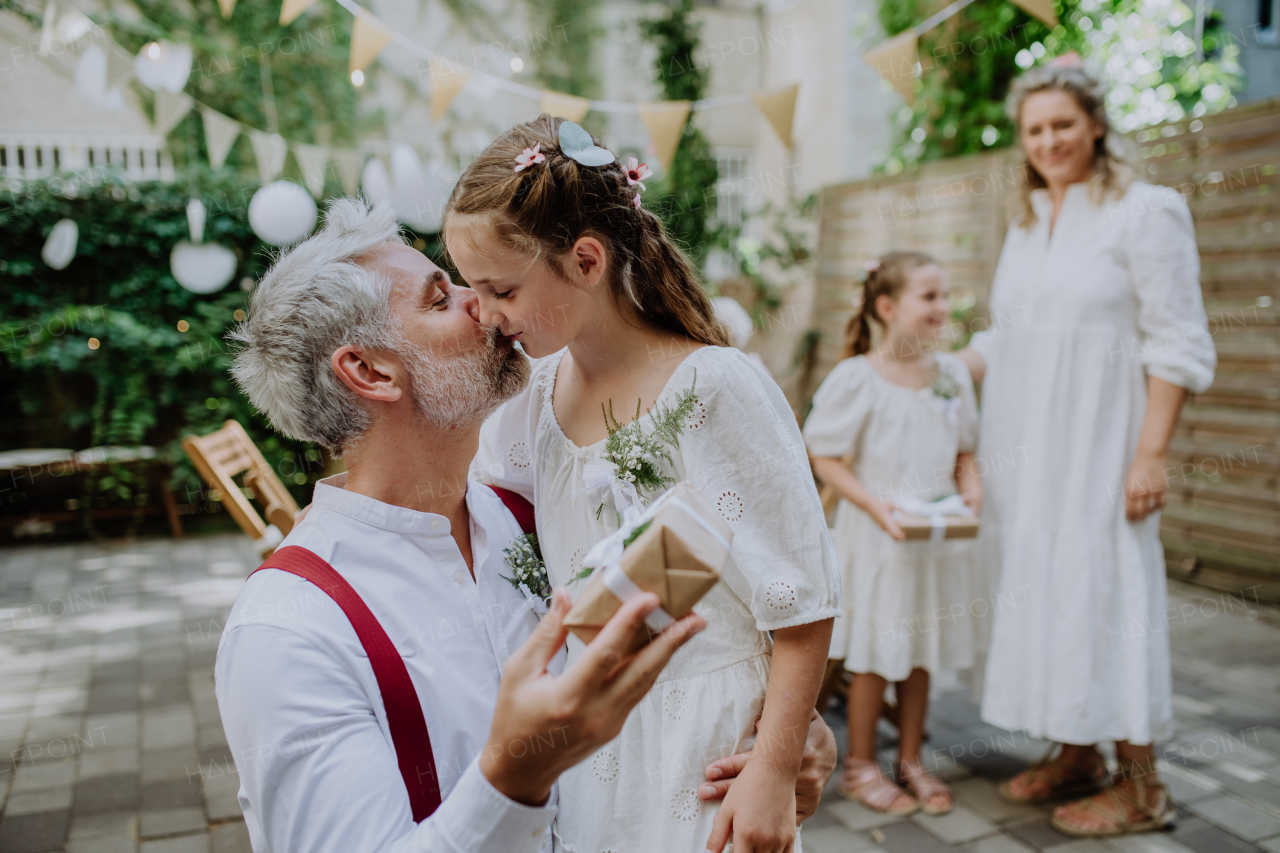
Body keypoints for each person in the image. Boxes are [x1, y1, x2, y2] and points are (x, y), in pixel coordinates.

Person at [217, 198, 837, 853]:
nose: (480, 305)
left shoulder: (526, 508)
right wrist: (512, 775)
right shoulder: (290, 631)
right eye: (440, 298)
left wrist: (780, 735)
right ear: (369, 371)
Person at [448, 116, 841, 853]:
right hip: (596, 735)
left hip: (705, 740)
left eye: (500, 289)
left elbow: (801, 598)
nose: (486, 316)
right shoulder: (535, 394)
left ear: (587, 260)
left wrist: (775, 762)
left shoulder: (713, 388)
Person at [955, 58, 1216, 837]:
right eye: (1035, 129)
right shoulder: (1032, 220)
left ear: (1096, 123)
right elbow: (1006, 338)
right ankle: (1077, 753)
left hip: (1102, 448)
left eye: (1063, 124)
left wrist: (1151, 453)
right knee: (1047, 593)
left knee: (1108, 598)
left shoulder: (1148, 211)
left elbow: (1176, 341)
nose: (1049, 140)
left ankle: (1143, 787)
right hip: (1026, 454)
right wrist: (919, 372)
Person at [804, 252, 983, 817]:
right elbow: (824, 454)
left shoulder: (952, 375)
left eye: (944, 295)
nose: (942, 307)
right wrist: (873, 504)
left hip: (932, 542)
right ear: (887, 307)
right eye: (928, 296)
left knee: (920, 650)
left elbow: (965, 451)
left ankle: (911, 759)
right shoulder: (858, 377)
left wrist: (972, 488)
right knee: (878, 653)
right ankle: (860, 765)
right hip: (877, 541)